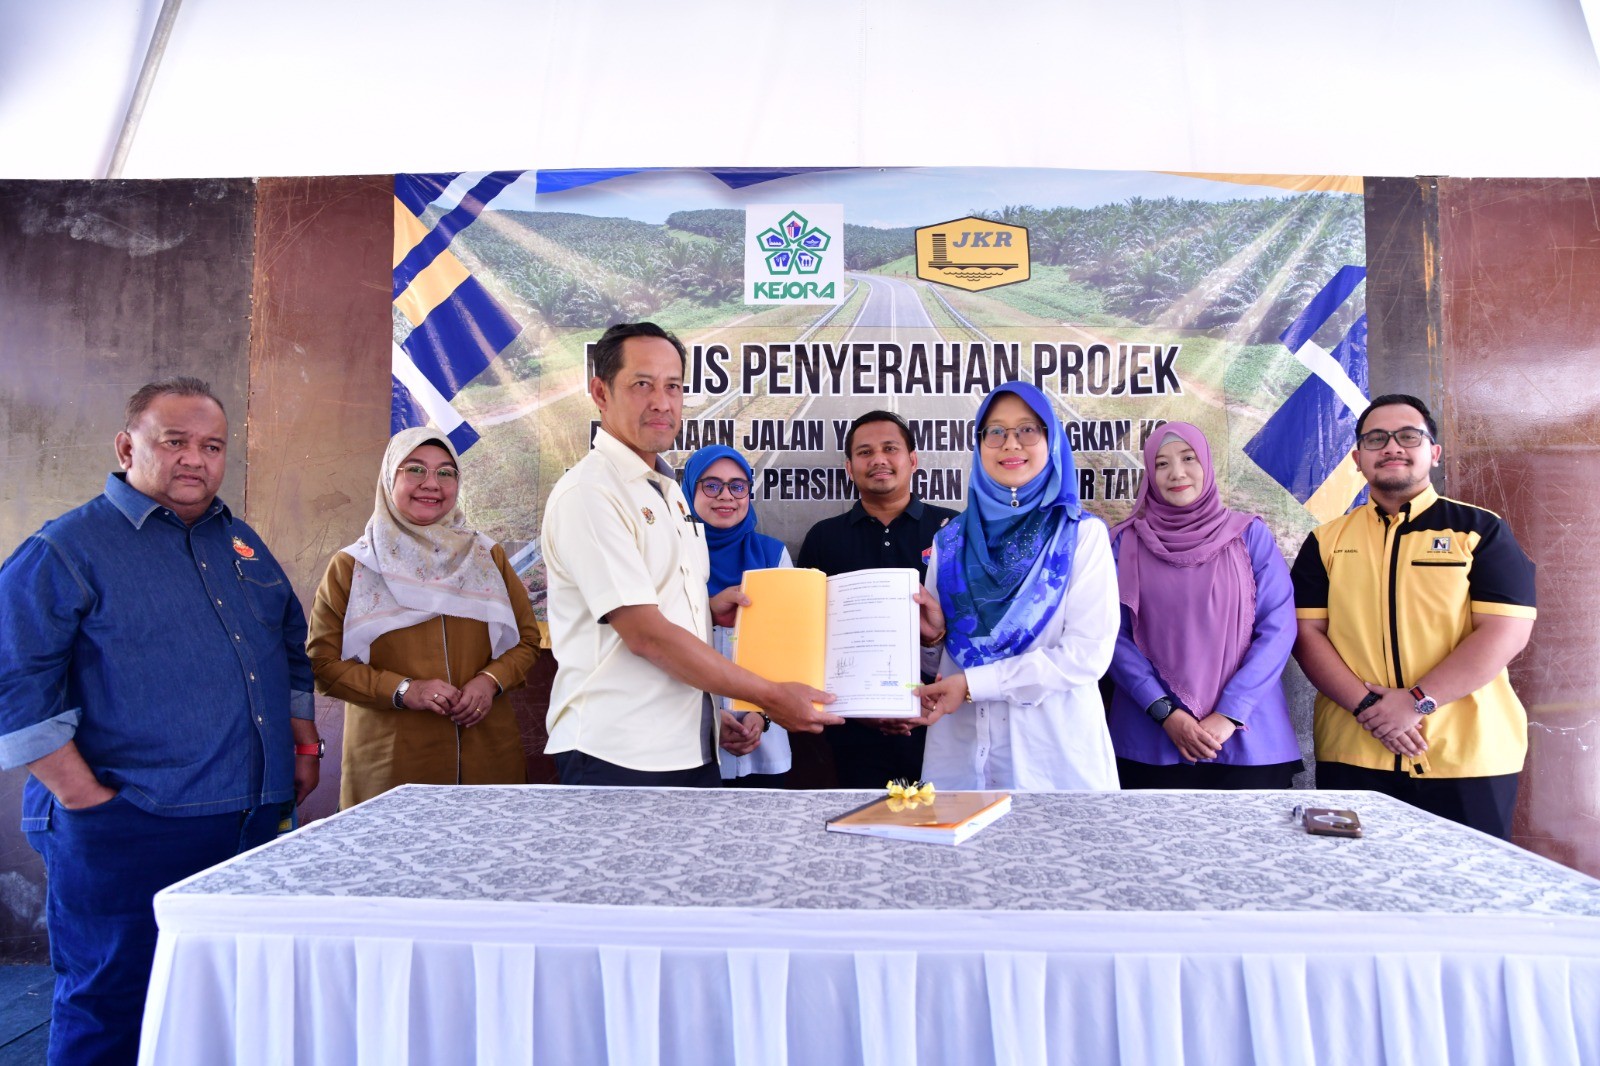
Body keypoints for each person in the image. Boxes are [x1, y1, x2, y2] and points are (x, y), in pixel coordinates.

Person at [0, 378, 322, 1065]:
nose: (194, 459)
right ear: (127, 447)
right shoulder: (67, 549)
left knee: (231, 1004)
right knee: (113, 1006)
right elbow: (13, 681)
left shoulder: (241, 543)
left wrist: (302, 749)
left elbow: (289, 648)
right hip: (129, 825)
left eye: (212, 446)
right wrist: (86, 799)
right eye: (174, 441)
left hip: (250, 824)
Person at [542, 322, 841, 787]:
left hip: (690, 745)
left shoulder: (670, 493)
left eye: (673, 386)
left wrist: (706, 611)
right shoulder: (591, 492)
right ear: (600, 392)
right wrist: (771, 695)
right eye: (642, 384)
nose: (662, 402)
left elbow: (663, 608)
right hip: (617, 751)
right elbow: (647, 636)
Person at [1291, 394, 1536, 839]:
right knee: (1354, 881)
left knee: (1465, 882)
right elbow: (1306, 635)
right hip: (1354, 752)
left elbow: (1506, 632)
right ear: (1357, 459)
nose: (1392, 447)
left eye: (1408, 436)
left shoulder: (1480, 531)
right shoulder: (1325, 541)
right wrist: (1370, 709)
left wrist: (1416, 702)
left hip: (1468, 757)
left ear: (1433, 452)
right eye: (1375, 439)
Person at [306, 428, 540, 806]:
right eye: (415, 469)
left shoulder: (485, 556)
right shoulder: (355, 565)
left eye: (446, 473)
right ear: (389, 478)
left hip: (487, 761)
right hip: (393, 770)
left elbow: (527, 641)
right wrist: (403, 690)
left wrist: (491, 681)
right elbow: (323, 664)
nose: (431, 484)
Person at [912, 381, 1119, 790]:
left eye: (1027, 429)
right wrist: (933, 637)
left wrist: (975, 685)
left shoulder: (1080, 536)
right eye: (996, 431)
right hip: (960, 755)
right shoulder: (949, 542)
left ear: (1050, 440)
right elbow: (943, 666)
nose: (1011, 443)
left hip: (1051, 759)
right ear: (979, 444)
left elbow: (1087, 654)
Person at [1105, 423, 1303, 788]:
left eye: (1188, 458)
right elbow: (1111, 636)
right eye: (1161, 464)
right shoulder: (1124, 543)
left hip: (1249, 738)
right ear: (1149, 474)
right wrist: (1164, 712)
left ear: (1207, 465)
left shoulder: (1249, 536)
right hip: (1151, 738)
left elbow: (1278, 628)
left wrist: (1230, 713)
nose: (1177, 473)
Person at [796, 411, 957, 787]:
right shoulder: (824, 537)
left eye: (890, 449)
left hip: (943, 724)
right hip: (854, 730)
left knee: (944, 818)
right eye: (865, 452)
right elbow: (808, 636)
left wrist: (935, 637)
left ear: (912, 460)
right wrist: (861, 709)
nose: (879, 460)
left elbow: (977, 625)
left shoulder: (953, 530)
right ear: (849, 468)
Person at [683, 445, 793, 785]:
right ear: (688, 491)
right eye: (711, 485)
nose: (726, 496)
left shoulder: (773, 555)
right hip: (685, 739)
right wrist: (710, 717)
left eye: (737, 485)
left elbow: (788, 648)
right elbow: (656, 643)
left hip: (761, 740)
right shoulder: (673, 557)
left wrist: (762, 714)